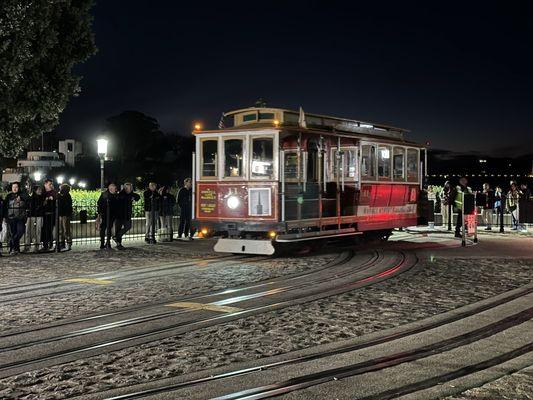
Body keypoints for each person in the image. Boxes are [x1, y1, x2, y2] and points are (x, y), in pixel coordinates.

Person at [3, 182, 29, 254]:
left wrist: (21, 198)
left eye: (16, 187)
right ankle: (15, 249)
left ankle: (13, 245)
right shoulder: (9, 196)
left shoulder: (22, 194)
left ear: (19, 188)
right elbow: (5, 206)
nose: (14, 188)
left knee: (20, 231)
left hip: (20, 217)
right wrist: (5, 217)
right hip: (11, 218)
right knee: (13, 233)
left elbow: (28, 199)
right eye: (13, 187)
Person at [114, 183, 140, 249]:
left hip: (127, 214)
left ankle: (116, 237)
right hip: (119, 215)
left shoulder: (131, 194)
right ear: (125, 188)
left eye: (130, 188)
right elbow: (123, 198)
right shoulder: (121, 194)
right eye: (128, 188)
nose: (129, 189)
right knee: (118, 229)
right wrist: (130, 198)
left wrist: (133, 197)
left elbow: (137, 197)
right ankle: (119, 244)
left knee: (128, 226)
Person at [97, 183, 119, 249]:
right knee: (103, 229)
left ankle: (108, 243)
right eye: (115, 189)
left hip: (111, 215)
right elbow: (99, 204)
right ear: (111, 189)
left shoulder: (115, 195)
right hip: (105, 214)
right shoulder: (104, 195)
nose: (116, 190)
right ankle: (102, 243)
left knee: (109, 228)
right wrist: (99, 214)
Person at [25, 185, 44, 252]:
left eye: (40, 190)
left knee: (38, 231)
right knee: (29, 231)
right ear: (35, 191)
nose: (40, 191)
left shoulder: (42, 198)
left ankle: (37, 246)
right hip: (31, 216)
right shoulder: (31, 198)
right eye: (39, 190)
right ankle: (28, 246)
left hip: (39, 216)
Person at [42, 179, 57, 251]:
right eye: (49, 184)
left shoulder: (53, 192)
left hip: (51, 214)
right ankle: (45, 245)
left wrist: (50, 198)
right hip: (43, 214)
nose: (51, 185)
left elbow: (55, 198)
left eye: (51, 184)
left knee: (49, 230)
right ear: (45, 184)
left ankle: (50, 244)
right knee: (44, 230)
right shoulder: (43, 192)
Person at [58, 184, 73, 250]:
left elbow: (67, 206)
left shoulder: (66, 196)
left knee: (66, 230)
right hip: (62, 214)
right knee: (62, 230)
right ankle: (63, 243)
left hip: (64, 215)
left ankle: (67, 243)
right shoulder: (65, 195)